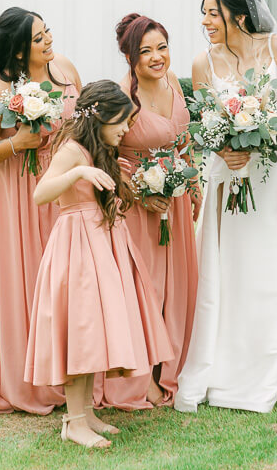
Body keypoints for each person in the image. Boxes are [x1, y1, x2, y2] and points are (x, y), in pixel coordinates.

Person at [175, 0, 277, 413]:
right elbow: (204, 123)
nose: (205, 23)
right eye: (202, 13)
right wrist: (224, 147)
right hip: (233, 180)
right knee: (236, 266)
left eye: (212, 14)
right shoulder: (203, 63)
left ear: (239, 16)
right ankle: (231, 359)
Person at [25, 81, 172, 448]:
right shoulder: (73, 151)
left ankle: (86, 412)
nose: (126, 129)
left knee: (93, 332)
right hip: (77, 247)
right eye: (121, 121)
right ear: (101, 117)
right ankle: (73, 422)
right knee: (82, 328)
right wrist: (78, 173)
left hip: (101, 244)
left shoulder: (100, 149)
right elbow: (40, 193)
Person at [0, 8, 80, 414]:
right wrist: (18, 144)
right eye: (38, 39)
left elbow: (80, 123)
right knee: (22, 280)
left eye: (48, 33)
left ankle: (69, 372)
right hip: (15, 194)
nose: (48, 42)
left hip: (62, 187)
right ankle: (22, 379)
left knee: (65, 279)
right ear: (17, 51)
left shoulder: (64, 69)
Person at [101, 13, 198, 410]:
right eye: (146, 51)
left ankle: (168, 369)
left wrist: (192, 183)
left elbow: (183, 139)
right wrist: (141, 192)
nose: (157, 58)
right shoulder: (125, 96)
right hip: (140, 208)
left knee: (176, 289)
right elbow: (108, 152)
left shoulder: (173, 82)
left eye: (162, 47)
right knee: (146, 291)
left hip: (173, 203)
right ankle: (140, 380)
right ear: (130, 57)